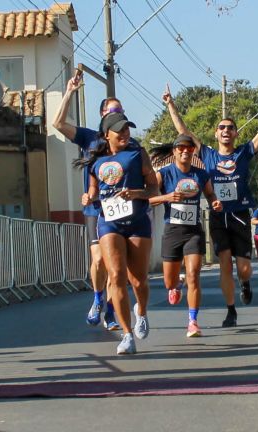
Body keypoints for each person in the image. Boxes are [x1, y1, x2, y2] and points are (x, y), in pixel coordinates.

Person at [164, 84, 258, 327]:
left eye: (230, 128)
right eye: (222, 127)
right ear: (215, 133)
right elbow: (184, 131)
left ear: (235, 134)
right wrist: (170, 104)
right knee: (224, 264)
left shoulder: (243, 153)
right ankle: (231, 310)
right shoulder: (207, 155)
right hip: (218, 217)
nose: (226, 131)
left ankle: (245, 283)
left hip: (240, 215)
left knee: (243, 269)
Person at [53, 70, 139, 331]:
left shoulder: (130, 143)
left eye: (121, 109)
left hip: (123, 211)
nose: (118, 113)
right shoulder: (89, 138)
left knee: (117, 267)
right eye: (113, 109)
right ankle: (98, 300)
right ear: (103, 114)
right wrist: (69, 91)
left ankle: (113, 312)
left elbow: (142, 175)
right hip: (95, 208)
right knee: (100, 260)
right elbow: (57, 123)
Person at [76, 112, 158, 355]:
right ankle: (126, 334)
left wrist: (137, 194)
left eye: (127, 129)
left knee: (138, 279)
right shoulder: (94, 159)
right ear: (106, 134)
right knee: (116, 275)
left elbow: (153, 187)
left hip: (137, 222)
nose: (124, 133)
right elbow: (92, 189)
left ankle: (141, 312)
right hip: (109, 222)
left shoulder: (137, 153)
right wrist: (88, 196)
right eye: (119, 130)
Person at [149, 135, 223, 338]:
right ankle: (176, 285)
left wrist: (215, 202)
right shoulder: (163, 174)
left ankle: (193, 321)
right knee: (168, 282)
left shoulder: (201, 174)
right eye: (181, 148)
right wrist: (166, 197)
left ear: (193, 152)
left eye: (189, 149)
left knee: (194, 275)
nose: (185, 151)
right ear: (174, 152)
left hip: (193, 231)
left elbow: (210, 195)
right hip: (172, 231)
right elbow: (147, 199)